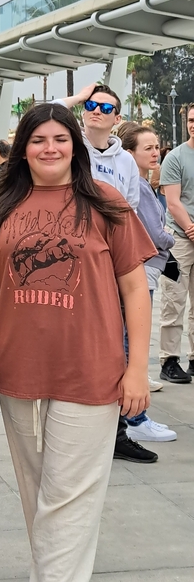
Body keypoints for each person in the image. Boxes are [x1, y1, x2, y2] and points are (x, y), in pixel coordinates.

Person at [0, 102, 154, 582]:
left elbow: (135, 289)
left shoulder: (106, 202)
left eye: (60, 139)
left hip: (91, 371)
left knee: (70, 495)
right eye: (38, 140)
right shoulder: (1, 206)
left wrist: (136, 368)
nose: (49, 148)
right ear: (22, 147)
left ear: (75, 145)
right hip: (17, 369)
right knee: (37, 490)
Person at [58, 83, 158, 463]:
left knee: (117, 343)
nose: (96, 110)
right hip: (71, 261)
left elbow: (128, 210)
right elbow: (43, 117)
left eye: (105, 107)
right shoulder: (72, 147)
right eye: (91, 105)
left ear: (117, 119)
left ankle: (117, 432)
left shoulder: (126, 162)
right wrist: (74, 98)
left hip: (110, 263)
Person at [118, 125, 176, 441]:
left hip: (147, 267)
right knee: (132, 338)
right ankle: (135, 417)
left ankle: (133, 417)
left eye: (156, 147)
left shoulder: (142, 184)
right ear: (130, 153)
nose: (155, 153)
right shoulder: (137, 187)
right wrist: (174, 239)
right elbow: (153, 233)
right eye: (148, 148)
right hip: (144, 269)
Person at [158, 103, 194, 383]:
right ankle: (169, 360)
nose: (193, 125)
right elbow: (173, 201)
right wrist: (192, 229)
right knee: (174, 300)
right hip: (181, 239)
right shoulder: (176, 158)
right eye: (191, 120)